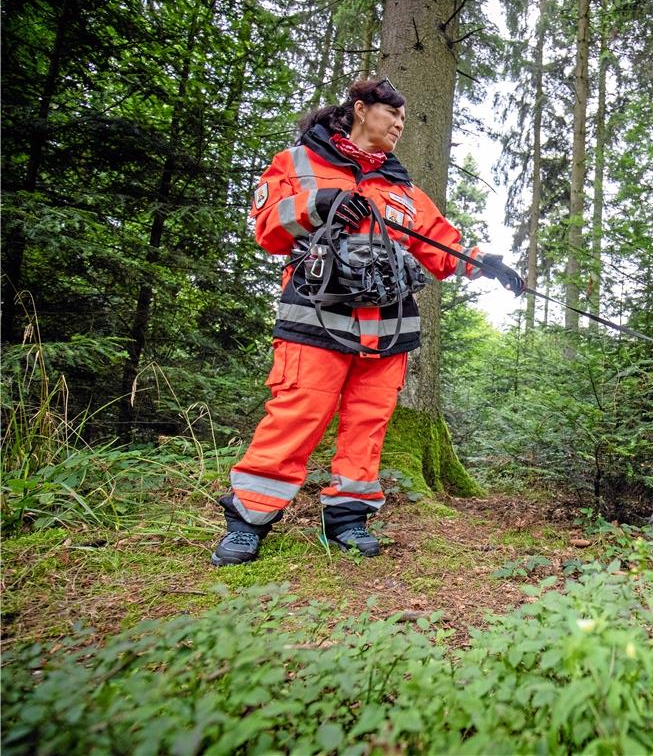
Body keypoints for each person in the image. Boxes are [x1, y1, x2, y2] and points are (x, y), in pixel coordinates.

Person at [211, 78, 523, 566]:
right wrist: (318, 205)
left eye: (403, 118)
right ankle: (248, 521)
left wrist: (486, 264)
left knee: (369, 423)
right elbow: (267, 227)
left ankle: (348, 520)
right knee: (297, 415)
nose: (400, 124)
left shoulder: (402, 189)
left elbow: (439, 244)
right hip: (316, 315)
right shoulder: (297, 163)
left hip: (388, 325)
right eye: (391, 114)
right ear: (360, 110)